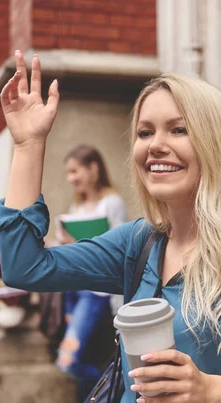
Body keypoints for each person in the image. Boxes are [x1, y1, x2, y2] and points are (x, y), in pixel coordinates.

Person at [0, 50, 221, 402]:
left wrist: (208, 389)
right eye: (144, 132)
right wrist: (28, 146)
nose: (156, 146)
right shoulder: (138, 243)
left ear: (214, 143)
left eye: (178, 130)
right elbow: (24, 268)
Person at [51, 145, 128, 398]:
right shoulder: (75, 209)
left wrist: (78, 247)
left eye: (75, 171)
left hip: (97, 295)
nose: (71, 179)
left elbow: (121, 251)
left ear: (93, 169)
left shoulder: (112, 203)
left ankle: (108, 387)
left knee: (67, 359)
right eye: (68, 173)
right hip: (73, 293)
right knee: (88, 355)